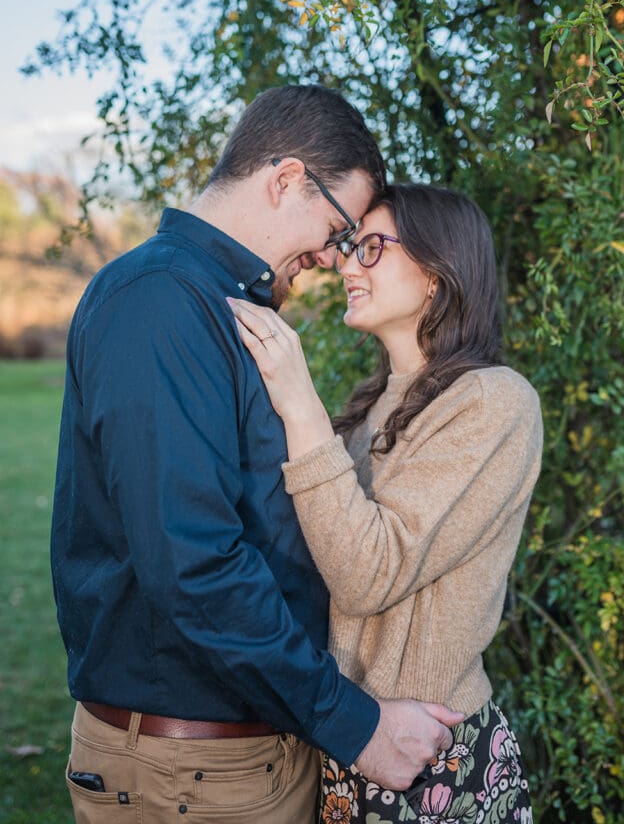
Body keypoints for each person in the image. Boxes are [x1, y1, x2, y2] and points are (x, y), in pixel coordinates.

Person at [51, 88, 464, 824]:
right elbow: (194, 565)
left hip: (233, 760)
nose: (330, 257)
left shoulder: (220, 302)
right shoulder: (161, 302)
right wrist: (355, 725)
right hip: (190, 774)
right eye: (336, 228)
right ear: (286, 179)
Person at [230, 182, 544, 823]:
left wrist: (299, 400)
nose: (346, 265)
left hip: (433, 756)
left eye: (371, 248)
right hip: (349, 739)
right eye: (349, 248)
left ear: (436, 273)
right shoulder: (368, 408)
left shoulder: (494, 402)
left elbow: (367, 574)